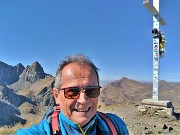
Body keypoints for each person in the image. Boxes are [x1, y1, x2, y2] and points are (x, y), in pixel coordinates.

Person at [16, 54, 129, 135]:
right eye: (72, 91)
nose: (83, 100)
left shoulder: (116, 126)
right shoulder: (42, 131)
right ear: (56, 96)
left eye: (91, 90)